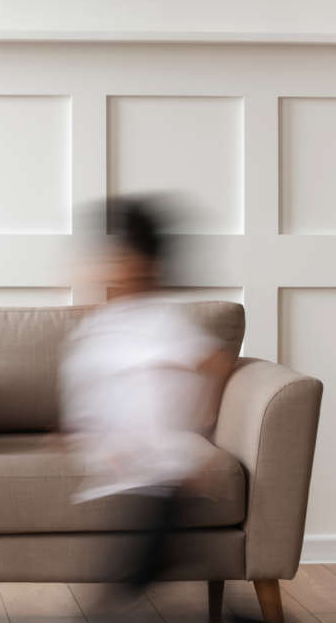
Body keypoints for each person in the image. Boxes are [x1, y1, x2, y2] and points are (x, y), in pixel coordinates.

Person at [59, 196, 233, 585]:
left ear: (143, 265)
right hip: (128, 472)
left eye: (118, 258)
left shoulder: (159, 322)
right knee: (142, 566)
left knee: (132, 573)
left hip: (160, 475)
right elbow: (96, 392)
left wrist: (197, 428)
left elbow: (216, 363)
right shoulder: (102, 326)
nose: (103, 268)